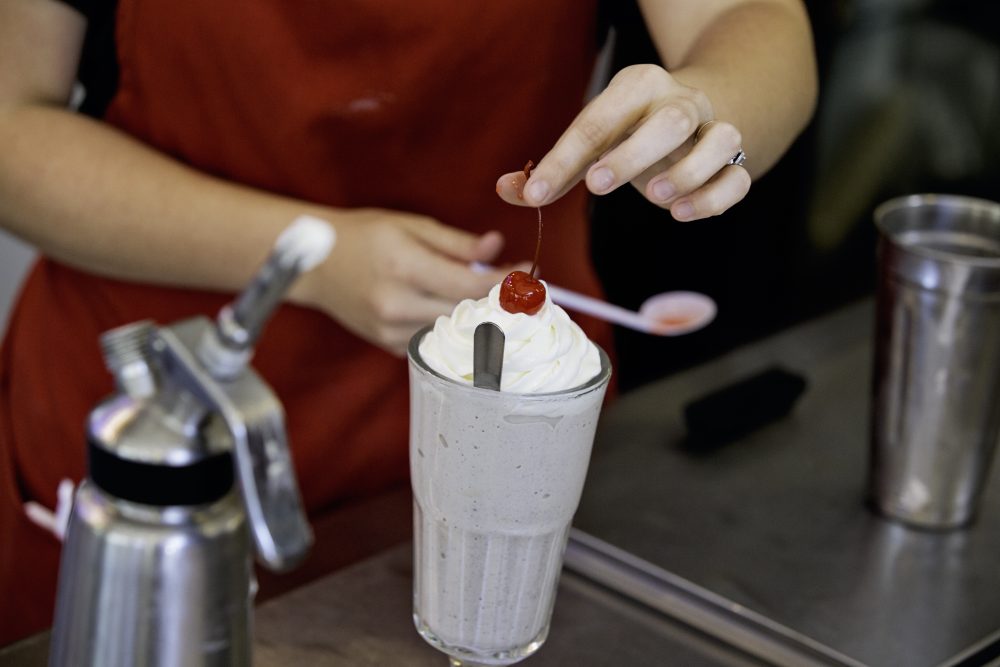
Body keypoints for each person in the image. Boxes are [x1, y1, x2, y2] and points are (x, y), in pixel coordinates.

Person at [0, 0, 817, 644]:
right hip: (162, 439)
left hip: (508, 434)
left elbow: (754, 21)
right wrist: (310, 259)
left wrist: (708, 108)